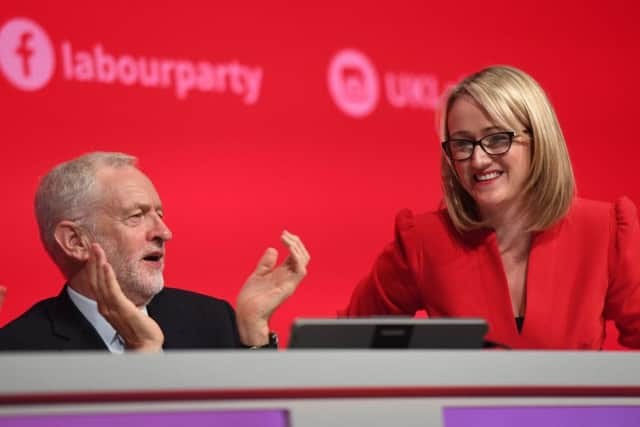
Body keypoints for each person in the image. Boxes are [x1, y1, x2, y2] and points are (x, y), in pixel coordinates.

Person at [342, 65, 640, 349]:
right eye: (462, 144)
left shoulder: (606, 230)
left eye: (497, 139)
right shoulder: (423, 241)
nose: (478, 160)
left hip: (576, 406)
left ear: (539, 139)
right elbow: (345, 344)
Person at [0, 152, 310, 352]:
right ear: (75, 241)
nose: (164, 232)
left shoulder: (212, 320)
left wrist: (253, 331)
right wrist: (144, 357)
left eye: (159, 215)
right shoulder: (20, 351)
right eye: (136, 216)